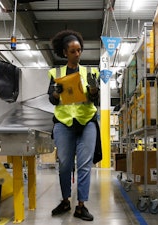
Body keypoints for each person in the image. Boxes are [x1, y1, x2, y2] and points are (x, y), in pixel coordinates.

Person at [47, 29, 101, 221]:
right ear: (64, 53)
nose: (77, 54)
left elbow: (97, 99)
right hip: (63, 123)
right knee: (64, 165)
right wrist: (56, 93)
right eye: (72, 51)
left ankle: (81, 206)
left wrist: (94, 91)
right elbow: (52, 101)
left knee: (85, 165)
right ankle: (65, 200)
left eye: (79, 50)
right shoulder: (56, 73)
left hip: (87, 122)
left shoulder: (91, 72)